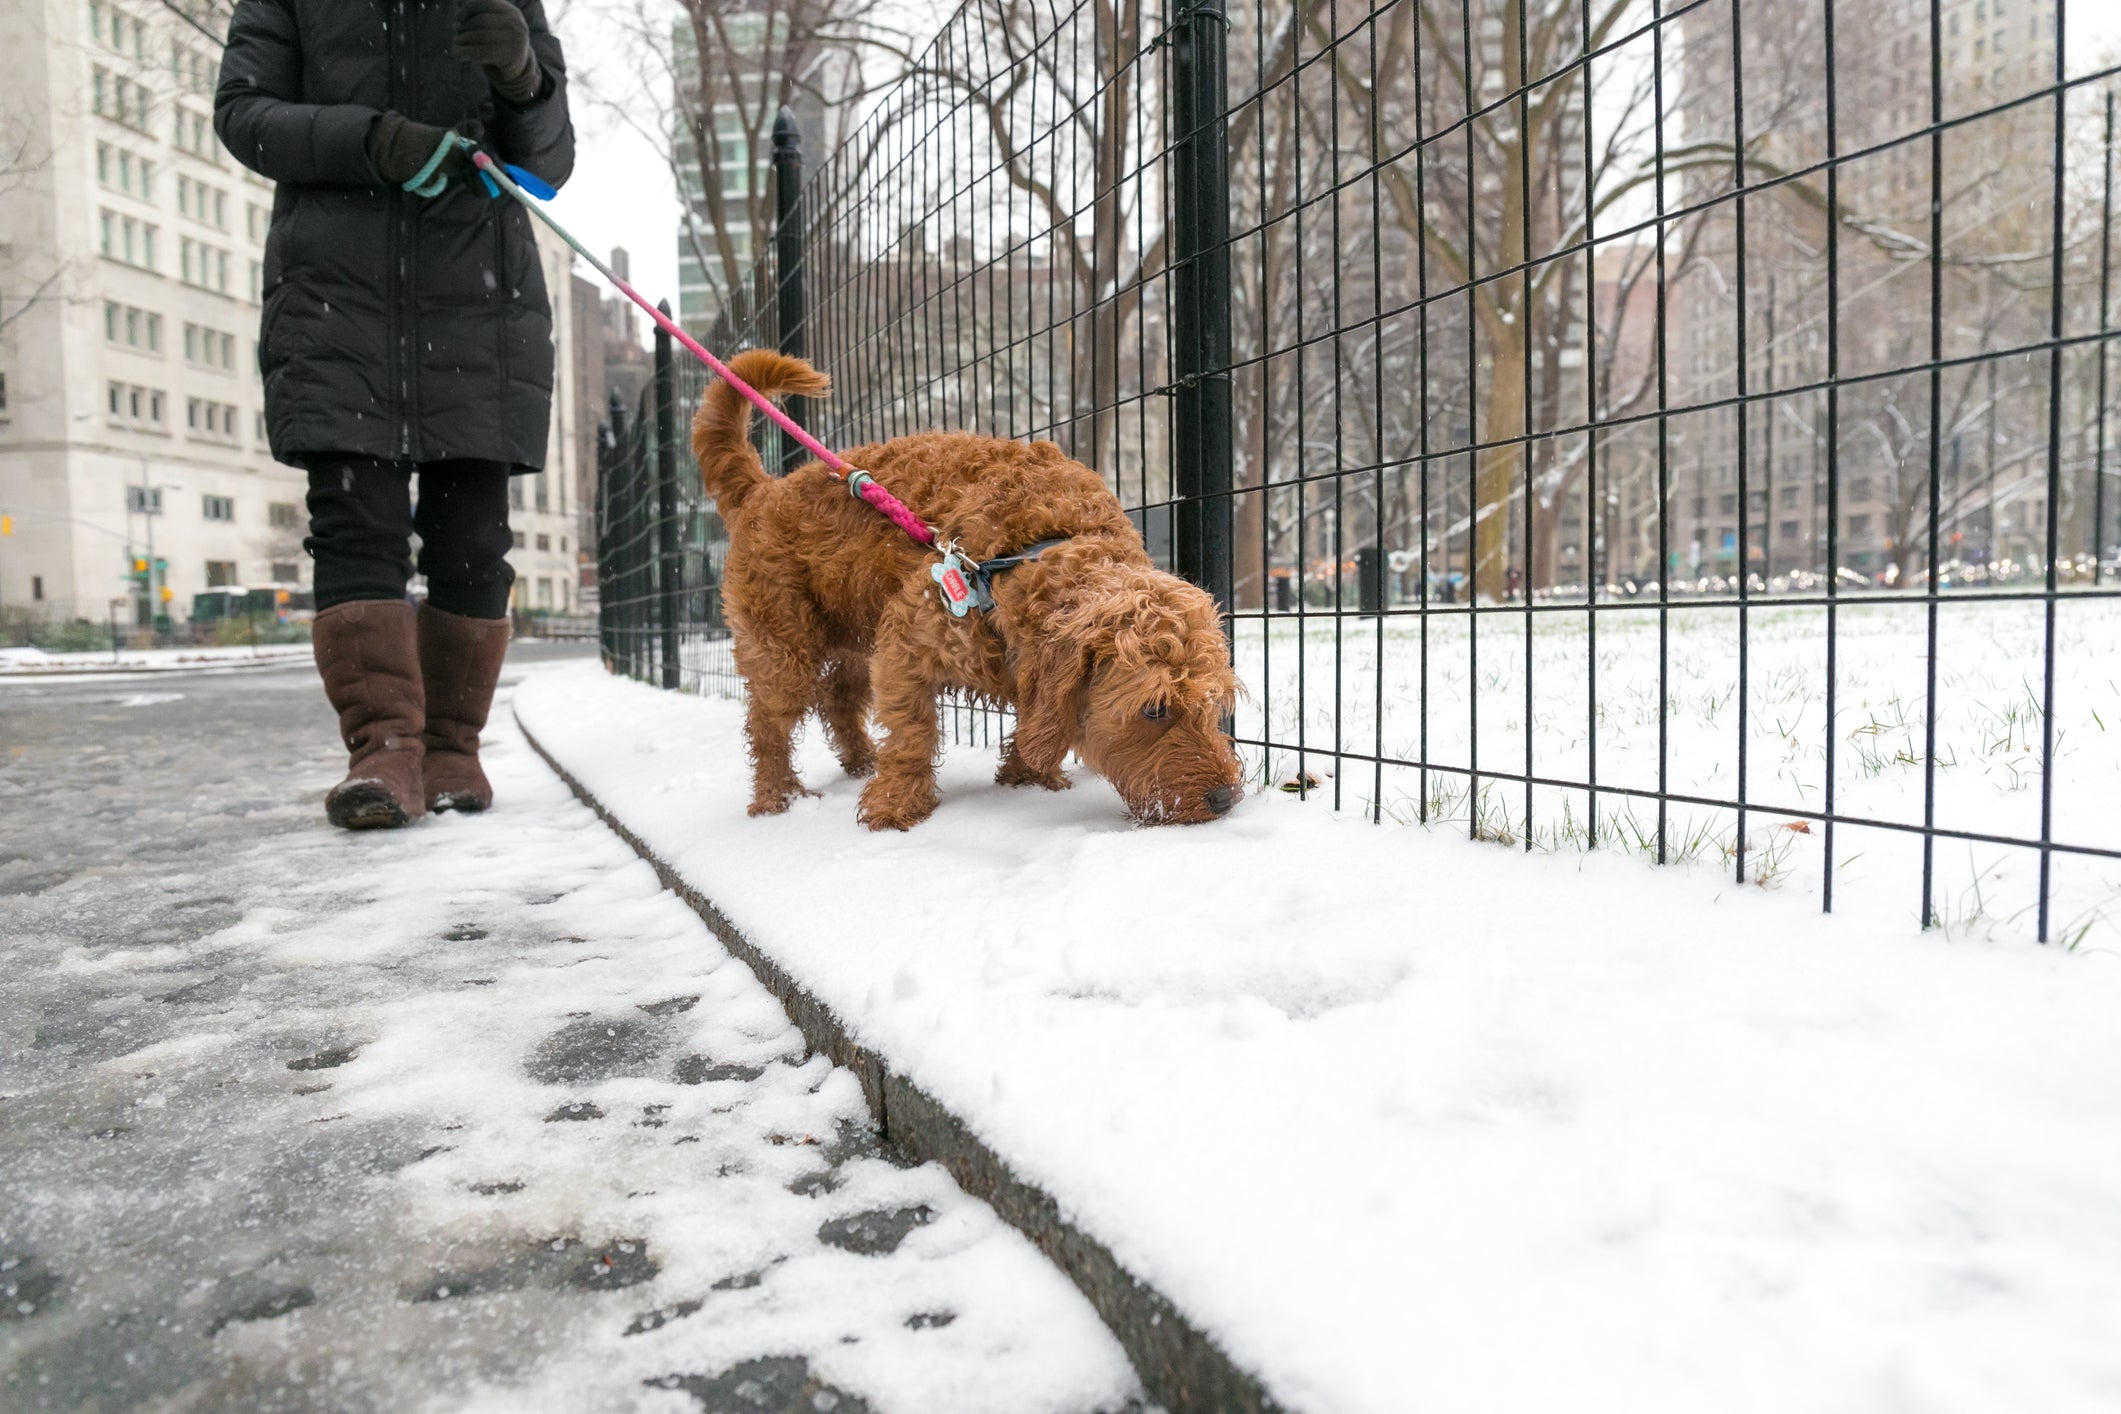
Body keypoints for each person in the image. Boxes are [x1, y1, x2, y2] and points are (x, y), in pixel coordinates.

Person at [215, 1, 573, 829]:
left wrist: (524, 79)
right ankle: (383, 751)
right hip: (335, 301)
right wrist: (372, 142)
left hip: (477, 305)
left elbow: (549, 163)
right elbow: (243, 114)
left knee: (474, 540)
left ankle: (452, 748)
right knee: (354, 525)